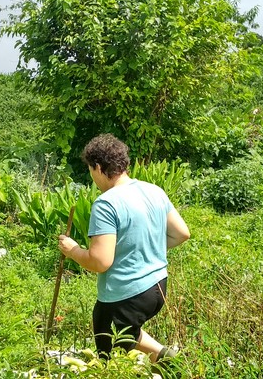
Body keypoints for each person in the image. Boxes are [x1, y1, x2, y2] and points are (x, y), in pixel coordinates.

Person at [58, 134, 190, 367]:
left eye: (90, 169)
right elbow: (181, 233)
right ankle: (169, 361)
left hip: (124, 296)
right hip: (158, 288)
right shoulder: (154, 190)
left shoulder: (106, 203)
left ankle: (165, 365)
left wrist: (73, 250)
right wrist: (146, 247)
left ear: (98, 167)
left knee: (109, 349)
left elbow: (100, 262)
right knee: (128, 333)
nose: (92, 176)